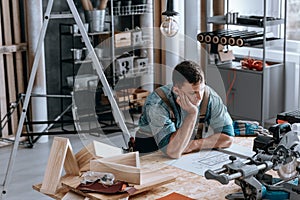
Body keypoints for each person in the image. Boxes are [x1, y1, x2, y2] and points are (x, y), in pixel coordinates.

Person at [135, 60, 234, 158]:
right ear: (177, 91)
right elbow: (173, 152)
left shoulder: (210, 97)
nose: (200, 97)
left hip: (186, 155)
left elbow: (228, 138)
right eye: (193, 93)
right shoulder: (157, 104)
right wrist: (192, 113)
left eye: (202, 89)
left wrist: (194, 145)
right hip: (149, 156)